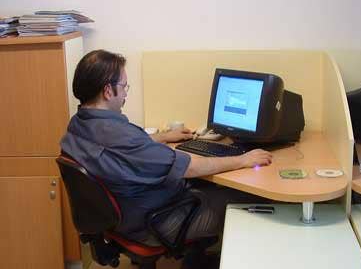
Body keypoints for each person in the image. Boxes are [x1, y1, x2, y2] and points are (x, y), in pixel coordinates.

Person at [60, 49, 272, 251]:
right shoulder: (121, 137)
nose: (125, 93)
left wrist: (162, 137)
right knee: (247, 198)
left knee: (206, 187)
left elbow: (118, 149)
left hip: (122, 219)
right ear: (108, 91)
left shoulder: (79, 124)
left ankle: (194, 260)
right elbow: (191, 166)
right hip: (155, 224)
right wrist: (243, 160)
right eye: (124, 86)